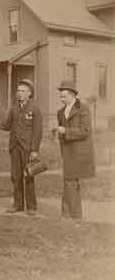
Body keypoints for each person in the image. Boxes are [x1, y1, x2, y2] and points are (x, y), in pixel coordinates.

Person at [0, 79, 43, 215]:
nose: (19, 93)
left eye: (23, 91)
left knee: (28, 175)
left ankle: (31, 207)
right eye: (18, 91)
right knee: (15, 176)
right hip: (14, 147)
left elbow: (37, 132)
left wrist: (34, 150)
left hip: (27, 148)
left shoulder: (35, 109)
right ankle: (17, 205)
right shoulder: (13, 109)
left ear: (29, 94)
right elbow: (7, 126)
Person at [55, 80, 95, 222]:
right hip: (67, 152)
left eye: (64, 96)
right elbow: (62, 132)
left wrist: (66, 131)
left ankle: (72, 215)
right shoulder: (60, 112)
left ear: (72, 94)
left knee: (70, 181)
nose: (61, 99)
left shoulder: (83, 109)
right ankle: (70, 214)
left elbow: (86, 131)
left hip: (79, 152)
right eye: (60, 96)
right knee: (69, 181)